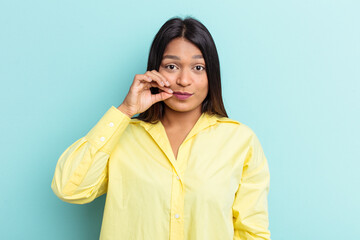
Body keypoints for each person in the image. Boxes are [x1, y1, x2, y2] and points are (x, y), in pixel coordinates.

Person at [51, 16, 271, 240]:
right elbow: (69, 188)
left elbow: (252, 232)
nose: (184, 80)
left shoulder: (240, 141)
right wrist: (125, 110)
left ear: (211, 75)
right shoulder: (121, 137)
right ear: (155, 71)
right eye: (172, 66)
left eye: (198, 67)